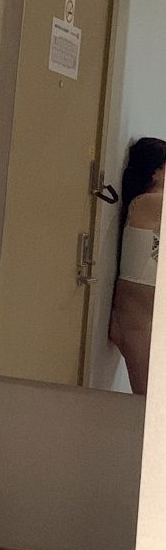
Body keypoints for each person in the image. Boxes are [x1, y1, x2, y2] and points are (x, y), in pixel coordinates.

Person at [108, 137, 164, 395]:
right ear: (155, 173)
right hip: (137, 319)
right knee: (150, 398)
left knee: (150, 397)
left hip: (141, 319)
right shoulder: (148, 202)